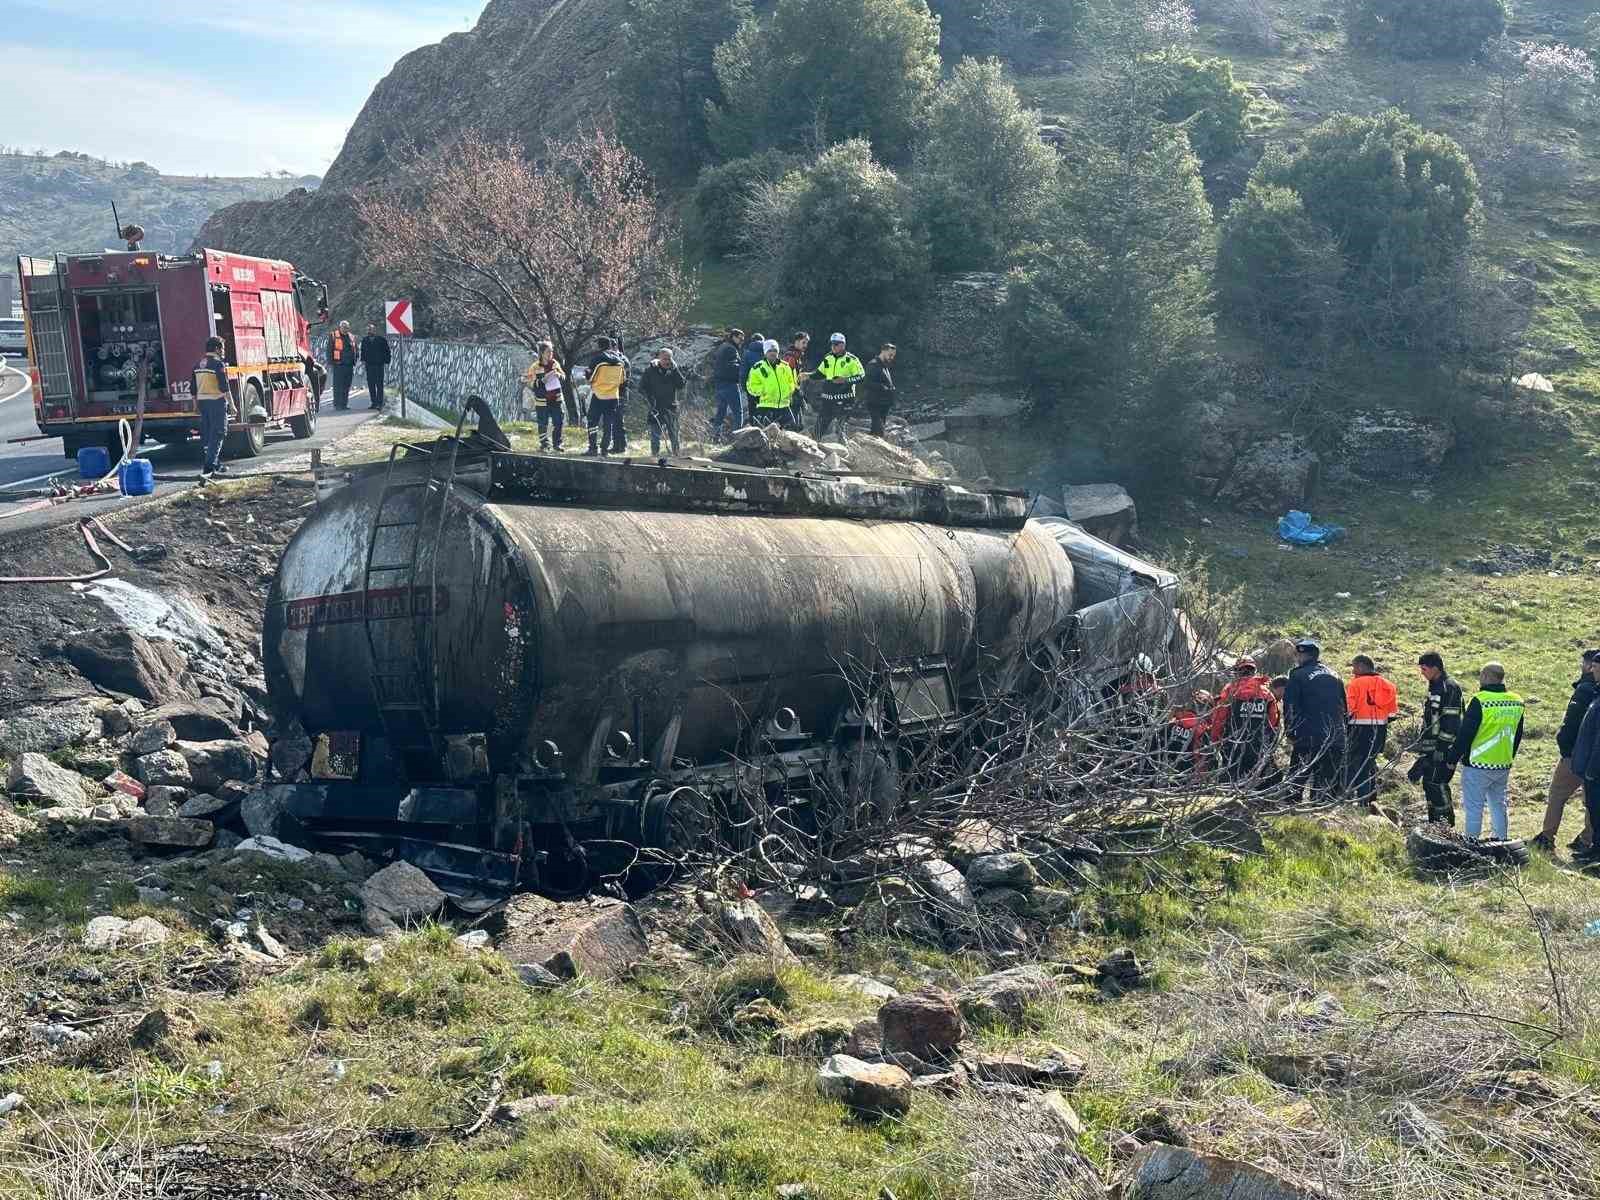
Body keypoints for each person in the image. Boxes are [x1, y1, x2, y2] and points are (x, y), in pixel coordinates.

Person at [1531, 649, 1600, 854]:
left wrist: (1565, 747)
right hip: (1590, 757)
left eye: (1586, 664)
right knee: (1591, 800)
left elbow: (1571, 724)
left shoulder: (1585, 689)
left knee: (1558, 794)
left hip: (1576, 755)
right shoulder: (1593, 690)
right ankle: (1588, 839)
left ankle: (1547, 836)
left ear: (1589, 666)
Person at [1448, 662, 1525, 841]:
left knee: (1474, 808)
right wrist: (1509, 756)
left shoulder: (1480, 700)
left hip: (1477, 763)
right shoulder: (1517, 701)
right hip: (1503, 763)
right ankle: (1502, 842)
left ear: (1485, 676)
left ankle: (1472, 844)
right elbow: (1518, 734)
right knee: (1498, 805)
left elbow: (1465, 733)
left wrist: (1452, 758)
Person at [1283, 639, 1347, 803]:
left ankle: (1291, 810)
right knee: (1327, 778)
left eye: (1298, 654)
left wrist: (1290, 731)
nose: (1297, 658)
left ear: (1304, 655)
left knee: (1298, 775)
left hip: (1308, 734)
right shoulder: (1336, 676)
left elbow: (1290, 705)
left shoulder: (1297, 675)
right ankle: (1321, 812)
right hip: (1335, 735)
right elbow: (1343, 707)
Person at [1409, 651, 1464, 827]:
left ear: (1435, 668)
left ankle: (1445, 826)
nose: (1422, 673)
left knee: (1437, 783)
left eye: (1424, 669)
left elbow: (1451, 722)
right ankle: (1435, 824)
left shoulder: (1449, 687)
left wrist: (1442, 749)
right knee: (1428, 784)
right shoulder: (1435, 686)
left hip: (1442, 749)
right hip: (1430, 748)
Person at [1211, 657, 1280, 783]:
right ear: (1254, 671)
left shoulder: (1230, 690)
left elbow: (1218, 719)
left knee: (1232, 781)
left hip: (1233, 745)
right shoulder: (1266, 693)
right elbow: (1273, 722)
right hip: (1258, 746)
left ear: (1237, 671)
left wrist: (1215, 740)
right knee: (1256, 781)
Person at [1345, 654, 1399, 805]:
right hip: (1379, 731)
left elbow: (1349, 710)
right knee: (1369, 765)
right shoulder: (1389, 686)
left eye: (1354, 667)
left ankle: (1354, 801)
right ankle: (1369, 800)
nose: (1353, 671)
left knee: (1353, 765)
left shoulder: (1355, 684)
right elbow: (1393, 714)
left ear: (1362, 666)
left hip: (1357, 730)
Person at [811, 333, 866, 439]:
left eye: (836, 344)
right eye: (832, 344)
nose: (833, 347)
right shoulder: (828, 358)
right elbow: (820, 373)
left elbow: (861, 376)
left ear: (843, 345)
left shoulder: (851, 359)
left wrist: (846, 380)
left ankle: (844, 451)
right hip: (827, 399)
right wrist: (808, 375)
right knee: (819, 427)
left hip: (844, 399)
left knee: (841, 428)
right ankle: (814, 450)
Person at [1568, 693, 1600, 867]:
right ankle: (1595, 849)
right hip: (1591, 769)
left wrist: (1592, 770)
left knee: (1597, 811)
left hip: (1596, 771)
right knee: (1594, 812)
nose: (1592, 669)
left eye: (1596, 665)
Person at [193, 335, 231, 479]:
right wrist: (232, 406)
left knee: (208, 435)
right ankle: (208, 467)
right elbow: (224, 388)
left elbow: (193, 389)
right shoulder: (217, 364)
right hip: (216, 402)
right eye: (223, 348)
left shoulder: (198, 364)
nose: (224, 351)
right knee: (219, 433)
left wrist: (195, 405)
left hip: (203, 403)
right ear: (217, 349)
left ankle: (216, 464)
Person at [585, 336, 629, 456]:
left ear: (599, 346)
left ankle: (593, 448)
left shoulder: (597, 359)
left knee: (592, 420)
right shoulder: (620, 360)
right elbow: (622, 379)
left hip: (599, 395)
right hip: (613, 396)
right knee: (608, 423)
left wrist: (588, 375)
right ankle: (605, 449)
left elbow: (590, 377)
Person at [640, 347, 688, 457]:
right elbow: (642, 388)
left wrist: (675, 370)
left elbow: (681, 385)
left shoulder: (673, 370)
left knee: (674, 434)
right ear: (659, 358)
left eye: (669, 359)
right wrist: (649, 401)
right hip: (655, 408)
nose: (667, 361)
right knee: (655, 435)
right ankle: (654, 455)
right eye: (665, 359)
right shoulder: (650, 371)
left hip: (671, 407)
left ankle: (676, 454)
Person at [523, 341, 567, 451]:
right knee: (543, 424)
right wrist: (541, 381)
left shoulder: (555, 364)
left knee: (558, 422)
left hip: (556, 399)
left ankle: (557, 444)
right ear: (542, 353)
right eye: (548, 352)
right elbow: (529, 383)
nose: (551, 354)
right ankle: (544, 445)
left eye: (552, 351)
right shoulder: (535, 367)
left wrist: (559, 375)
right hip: (542, 401)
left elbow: (564, 377)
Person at [746, 339, 798, 429]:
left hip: (784, 406)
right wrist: (764, 390)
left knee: (791, 431)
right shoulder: (757, 368)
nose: (773, 353)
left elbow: (792, 382)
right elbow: (750, 386)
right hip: (766, 406)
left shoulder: (785, 366)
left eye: (775, 351)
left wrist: (789, 391)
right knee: (766, 435)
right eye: (770, 351)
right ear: (765, 352)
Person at [711, 328, 745, 441]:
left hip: (719, 384)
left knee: (721, 412)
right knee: (738, 412)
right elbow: (732, 366)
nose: (741, 341)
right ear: (733, 337)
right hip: (730, 384)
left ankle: (715, 437)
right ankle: (737, 439)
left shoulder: (722, 347)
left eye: (742, 339)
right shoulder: (731, 349)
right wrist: (741, 369)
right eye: (739, 338)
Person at [860, 344, 898, 437]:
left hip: (884, 404)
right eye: (890, 355)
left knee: (876, 431)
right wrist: (882, 387)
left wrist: (891, 388)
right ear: (883, 351)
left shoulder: (884, 365)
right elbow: (866, 383)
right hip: (874, 403)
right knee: (879, 431)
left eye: (893, 355)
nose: (892, 357)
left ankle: (868, 447)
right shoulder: (873, 365)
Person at [359, 323, 390, 410]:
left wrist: (386, 361)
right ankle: (374, 402)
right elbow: (363, 352)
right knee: (371, 385)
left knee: (379, 385)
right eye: (368, 329)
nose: (369, 331)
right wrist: (363, 361)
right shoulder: (365, 340)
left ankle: (380, 403)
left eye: (371, 329)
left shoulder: (381, 340)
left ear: (375, 330)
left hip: (379, 365)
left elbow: (387, 351)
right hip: (369, 366)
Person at [328, 320, 357, 411]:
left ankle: (344, 404)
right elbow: (329, 350)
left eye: (347, 327)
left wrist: (355, 358)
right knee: (338, 386)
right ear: (340, 327)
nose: (345, 329)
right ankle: (337, 404)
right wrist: (331, 363)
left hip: (349, 366)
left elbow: (356, 349)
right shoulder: (334, 335)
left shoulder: (352, 337)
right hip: (338, 365)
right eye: (343, 327)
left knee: (346, 386)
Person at [741, 331, 768, 426]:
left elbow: (743, 373)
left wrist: (744, 386)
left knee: (752, 408)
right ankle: (765, 428)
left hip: (752, 386)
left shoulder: (747, 353)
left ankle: (754, 428)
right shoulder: (768, 352)